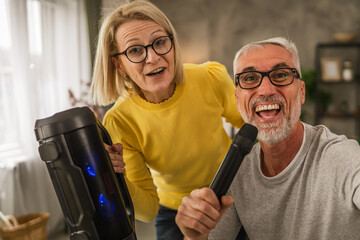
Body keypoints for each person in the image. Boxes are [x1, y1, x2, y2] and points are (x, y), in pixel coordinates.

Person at [175, 37, 360, 240]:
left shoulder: (342, 156)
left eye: (280, 75)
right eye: (250, 78)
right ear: (237, 101)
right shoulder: (237, 170)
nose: (266, 90)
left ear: (301, 92)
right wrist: (194, 236)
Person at [89, 1, 244, 239]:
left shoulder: (209, 77)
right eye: (135, 50)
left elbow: (250, 125)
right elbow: (147, 210)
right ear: (119, 64)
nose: (152, 57)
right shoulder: (120, 121)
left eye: (160, 42)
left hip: (231, 194)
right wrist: (114, 175)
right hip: (174, 210)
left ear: (172, 45)